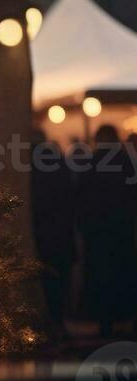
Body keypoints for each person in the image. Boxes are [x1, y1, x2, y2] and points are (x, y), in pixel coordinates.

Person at [75, 125, 137, 337]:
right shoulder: (127, 162)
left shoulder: (91, 164)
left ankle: (105, 323)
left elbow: (80, 198)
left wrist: (82, 226)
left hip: (97, 234)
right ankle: (127, 321)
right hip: (122, 231)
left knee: (100, 278)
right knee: (124, 275)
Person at [29, 130, 76, 338]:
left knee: (44, 278)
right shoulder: (57, 161)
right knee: (59, 278)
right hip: (60, 230)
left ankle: (49, 323)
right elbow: (70, 195)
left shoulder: (26, 163)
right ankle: (58, 321)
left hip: (40, 229)